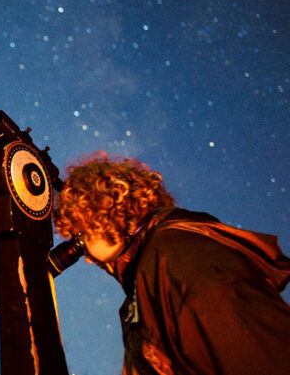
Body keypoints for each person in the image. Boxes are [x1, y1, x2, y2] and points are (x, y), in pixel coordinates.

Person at [52, 152, 290, 375]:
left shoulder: (180, 257)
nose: (87, 257)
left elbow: (258, 354)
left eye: (79, 232)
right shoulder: (152, 270)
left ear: (101, 209)